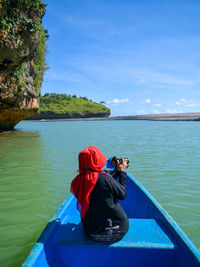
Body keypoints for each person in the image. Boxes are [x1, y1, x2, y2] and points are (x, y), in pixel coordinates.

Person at [70, 146, 129, 242]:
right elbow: (122, 195)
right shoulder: (105, 178)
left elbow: (97, 182)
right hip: (118, 231)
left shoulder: (77, 181)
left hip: (92, 232)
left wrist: (116, 172)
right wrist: (122, 172)